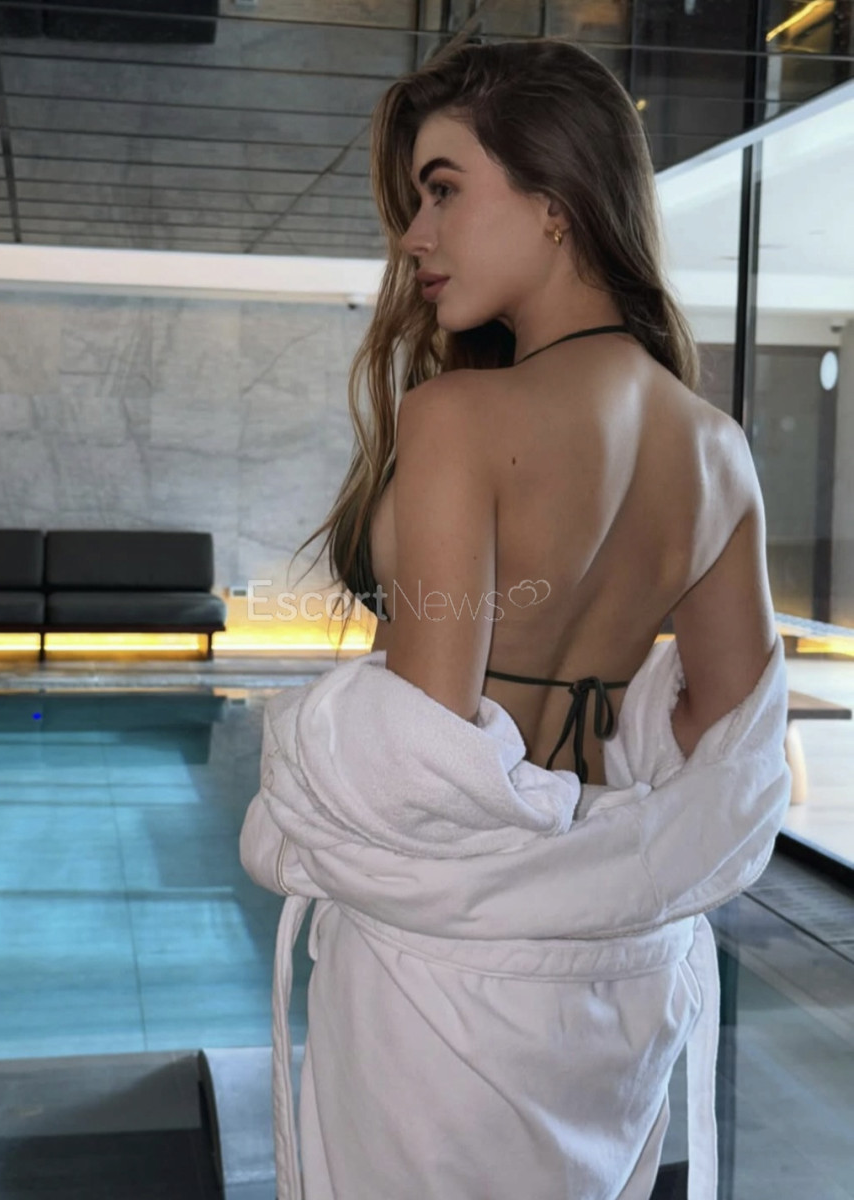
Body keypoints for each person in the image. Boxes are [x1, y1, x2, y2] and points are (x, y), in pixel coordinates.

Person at [242, 33, 789, 1200]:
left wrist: (299, 772)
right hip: (620, 988)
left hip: (446, 997)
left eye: (443, 190)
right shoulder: (717, 449)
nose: (414, 236)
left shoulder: (459, 416)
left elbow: (416, 770)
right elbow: (729, 755)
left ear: (556, 202)